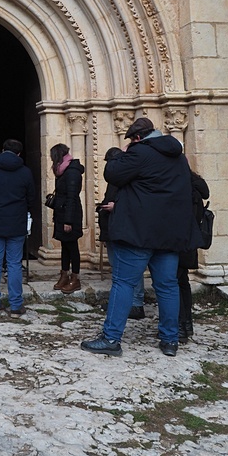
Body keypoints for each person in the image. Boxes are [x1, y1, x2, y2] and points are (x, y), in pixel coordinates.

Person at [81, 117, 202, 358]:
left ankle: (111, 338)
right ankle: (170, 340)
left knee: (123, 283)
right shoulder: (178, 158)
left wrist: (122, 153)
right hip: (169, 235)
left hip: (138, 233)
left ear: (137, 138)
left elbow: (112, 174)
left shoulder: (140, 153)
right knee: (167, 286)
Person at [0, 138, 35, 318]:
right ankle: (16, 306)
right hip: (16, 224)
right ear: (19, 154)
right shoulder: (25, 172)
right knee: (14, 264)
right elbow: (31, 199)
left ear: (2, 150)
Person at [97, 146, 146, 319]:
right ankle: (122, 302)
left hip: (124, 228)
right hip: (113, 227)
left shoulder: (130, 177)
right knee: (118, 268)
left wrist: (115, 206)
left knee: (130, 267)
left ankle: (136, 304)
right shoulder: (116, 178)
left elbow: (138, 202)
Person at [177, 170, 210, 342]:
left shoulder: (180, 187)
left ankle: (180, 327)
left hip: (178, 241)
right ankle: (187, 324)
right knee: (182, 282)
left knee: (173, 283)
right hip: (190, 241)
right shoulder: (197, 186)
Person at [50, 143, 85, 294]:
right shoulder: (63, 170)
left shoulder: (72, 172)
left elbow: (71, 197)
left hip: (70, 214)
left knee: (72, 247)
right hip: (62, 212)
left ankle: (75, 278)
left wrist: (68, 221)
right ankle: (64, 274)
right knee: (65, 246)